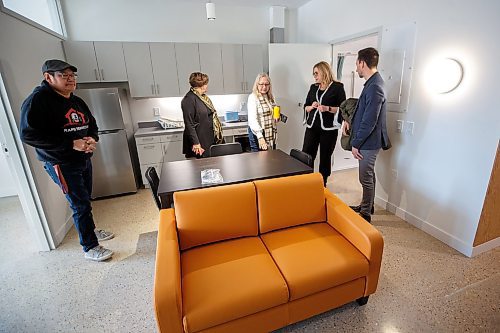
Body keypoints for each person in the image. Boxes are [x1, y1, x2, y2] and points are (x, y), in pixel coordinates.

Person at [19, 59, 114, 261]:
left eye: (72, 75)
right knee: (79, 204)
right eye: (64, 75)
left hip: (83, 159)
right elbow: (28, 135)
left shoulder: (75, 100)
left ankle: (90, 230)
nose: (70, 79)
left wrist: (92, 138)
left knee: (85, 199)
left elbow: (92, 124)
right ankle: (90, 247)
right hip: (61, 162)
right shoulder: (38, 100)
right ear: (48, 77)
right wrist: (71, 144)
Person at [344, 47, 391, 223]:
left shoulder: (375, 87)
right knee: (368, 175)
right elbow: (362, 112)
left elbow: (370, 121)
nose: (356, 68)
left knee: (365, 176)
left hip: (369, 142)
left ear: (362, 63)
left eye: (357, 63)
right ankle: (367, 205)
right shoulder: (373, 83)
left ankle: (366, 213)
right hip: (367, 140)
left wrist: (355, 143)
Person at [302, 61, 346, 186]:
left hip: (329, 130)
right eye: (313, 74)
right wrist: (311, 107)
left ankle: (322, 184)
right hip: (312, 128)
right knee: (306, 154)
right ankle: (305, 182)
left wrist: (328, 108)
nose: (314, 76)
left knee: (325, 157)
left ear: (324, 71)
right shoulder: (313, 87)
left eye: (316, 73)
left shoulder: (337, 87)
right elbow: (306, 106)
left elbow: (343, 108)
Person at [181, 72, 223, 158]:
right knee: (200, 168)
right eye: (206, 84)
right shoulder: (189, 99)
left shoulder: (203, 98)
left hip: (208, 139)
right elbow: (189, 124)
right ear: (202, 85)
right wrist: (196, 143)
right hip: (199, 142)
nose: (207, 86)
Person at [247, 73, 277, 152]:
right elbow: (253, 120)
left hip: (270, 132)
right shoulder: (253, 97)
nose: (264, 87)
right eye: (261, 84)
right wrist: (260, 137)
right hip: (258, 133)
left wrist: (276, 117)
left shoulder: (271, 96)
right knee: (259, 161)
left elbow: (271, 112)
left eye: (267, 84)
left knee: (270, 159)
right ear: (257, 84)